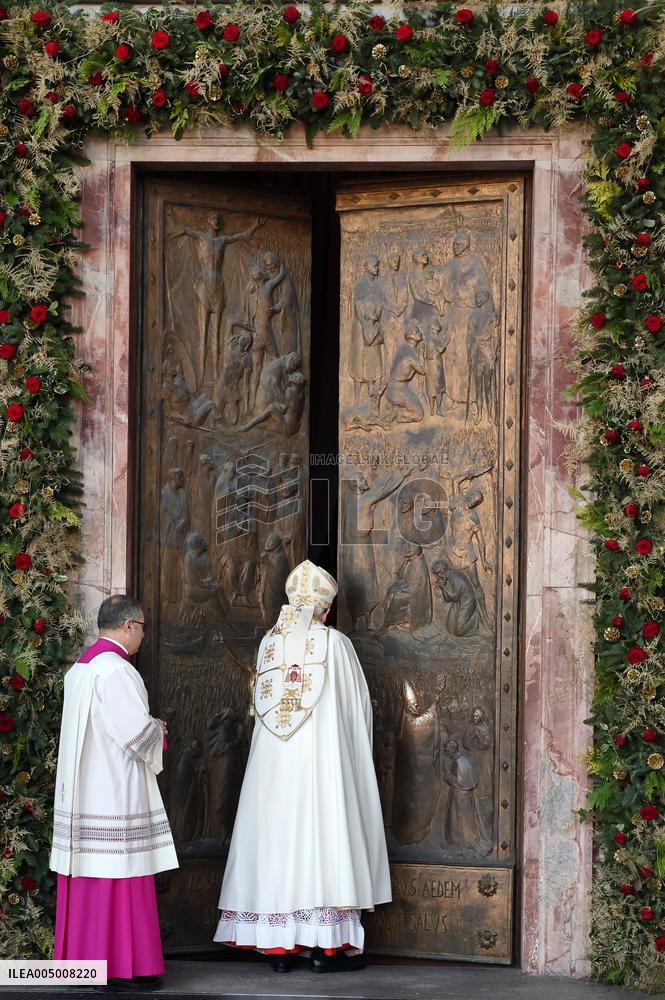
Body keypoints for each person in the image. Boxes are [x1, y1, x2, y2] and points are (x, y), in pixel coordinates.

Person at [214, 560, 391, 973]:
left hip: (273, 772)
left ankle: (279, 951)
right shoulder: (336, 644)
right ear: (325, 610)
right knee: (323, 841)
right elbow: (357, 710)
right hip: (322, 767)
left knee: (277, 843)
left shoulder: (268, 644)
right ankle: (325, 951)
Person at [50, 595, 178, 989]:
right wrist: (158, 729)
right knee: (122, 874)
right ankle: (123, 968)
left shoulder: (81, 669)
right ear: (127, 626)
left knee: (91, 877)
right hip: (114, 795)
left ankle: (83, 966)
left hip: (84, 795)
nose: (142, 636)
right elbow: (136, 737)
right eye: (142, 628)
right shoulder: (118, 671)